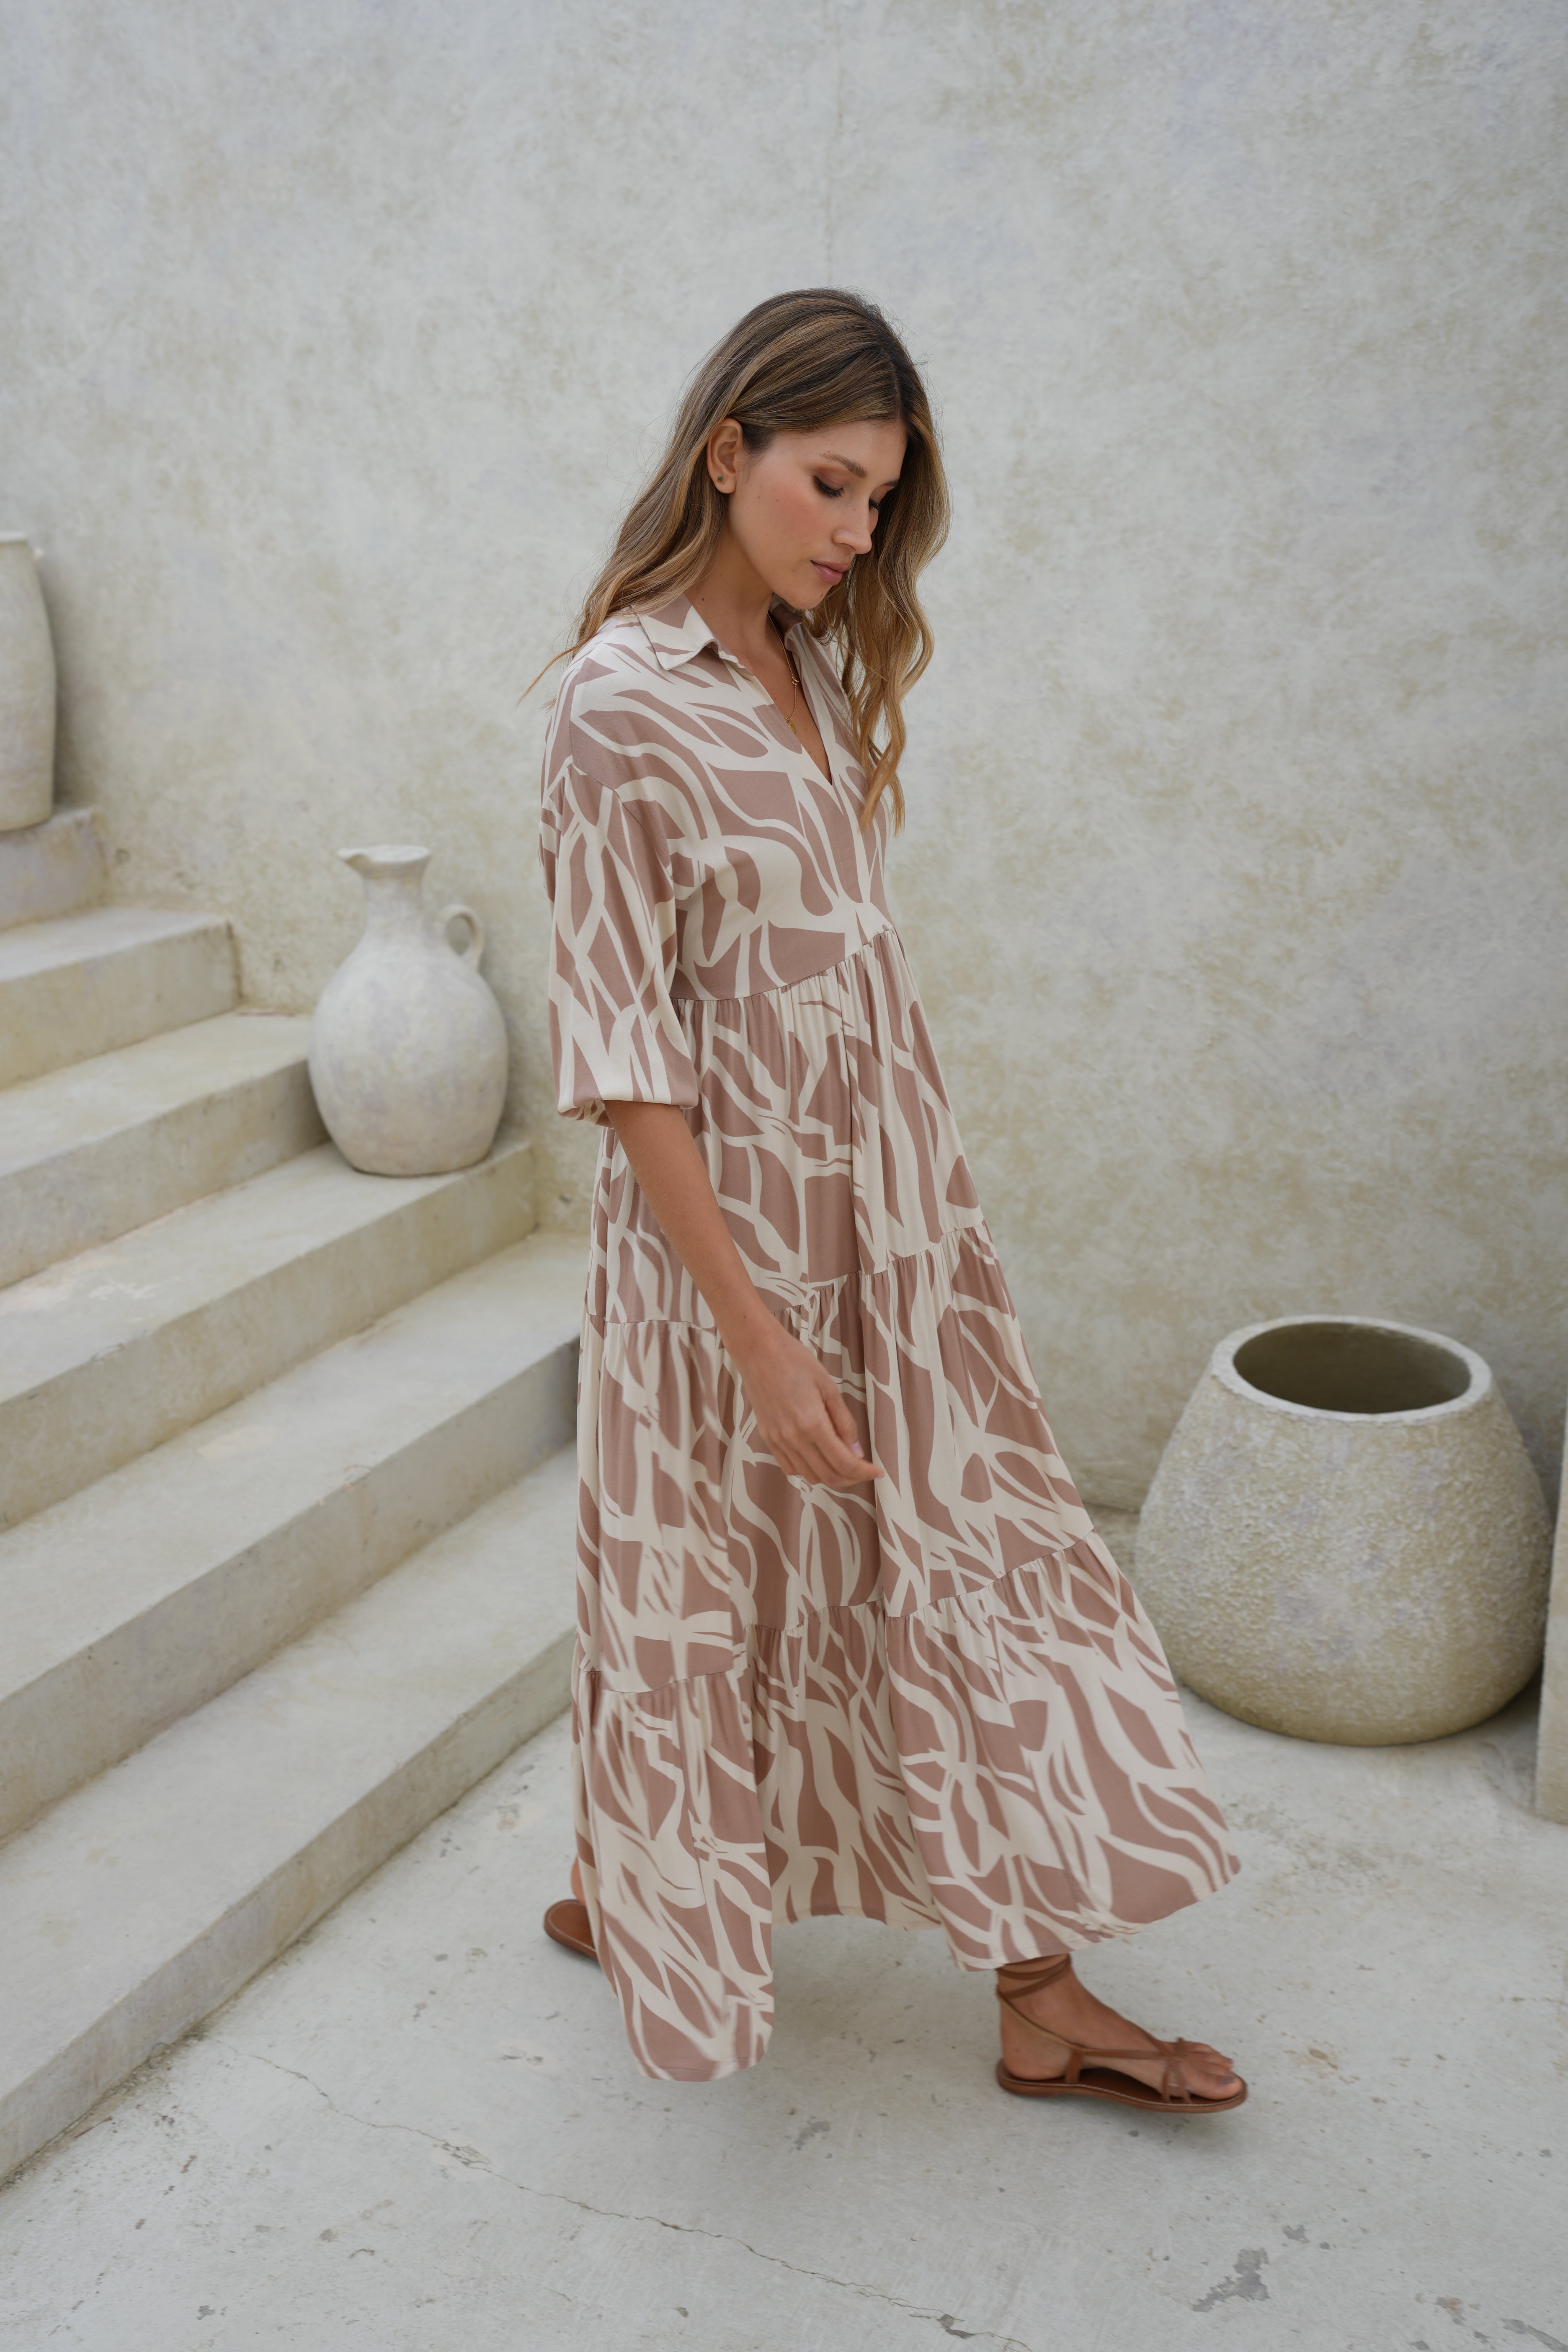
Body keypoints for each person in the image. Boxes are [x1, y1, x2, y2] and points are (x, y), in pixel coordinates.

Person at [535, 288, 1245, 2112]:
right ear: (729, 454)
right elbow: (627, 1059)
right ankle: (683, 1899)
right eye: (832, 485)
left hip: (894, 1229)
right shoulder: (619, 706)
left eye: (881, 500)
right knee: (709, 1579)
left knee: (955, 1560)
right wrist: (757, 1337)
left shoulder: (816, 665)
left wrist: (923, 1231)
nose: (859, 533)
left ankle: (1008, 1974)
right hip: (732, 1255)